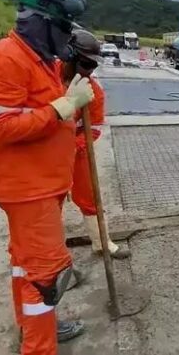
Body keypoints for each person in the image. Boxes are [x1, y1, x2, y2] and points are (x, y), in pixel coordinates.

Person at [0, 0, 94, 353]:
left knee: (26, 265)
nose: (68, 37)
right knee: (47, 275)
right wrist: (64, 107)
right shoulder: (3, 59)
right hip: (26, 186)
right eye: (64, 28)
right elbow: (1, 128)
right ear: (40, 23)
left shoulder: (38, 60)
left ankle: (33, 326)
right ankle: (40, 346)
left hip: (42, 182)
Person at [56, 29, 130, 259]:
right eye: (85, 63)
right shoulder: (47, 77)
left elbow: (95, 128)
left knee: (89, 196)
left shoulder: (93, 92)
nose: (89, 70)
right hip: (44, 153)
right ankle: (54, 253)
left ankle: (101, 242)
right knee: (50, 203)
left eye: (93, 65)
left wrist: (76, 146)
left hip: (77, 150)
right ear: (69, 57)